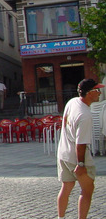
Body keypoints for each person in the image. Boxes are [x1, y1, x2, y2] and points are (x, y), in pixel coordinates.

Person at [57, 78, 104, 219]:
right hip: (76, 157)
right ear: (89, 93)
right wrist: (81, 164)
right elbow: (81, 143)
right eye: (97, 90)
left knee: (66, 187)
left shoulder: (72, 102)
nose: (100, 93)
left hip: (63, 152)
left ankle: (61, 217)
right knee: (87, 190)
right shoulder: (86, 115)